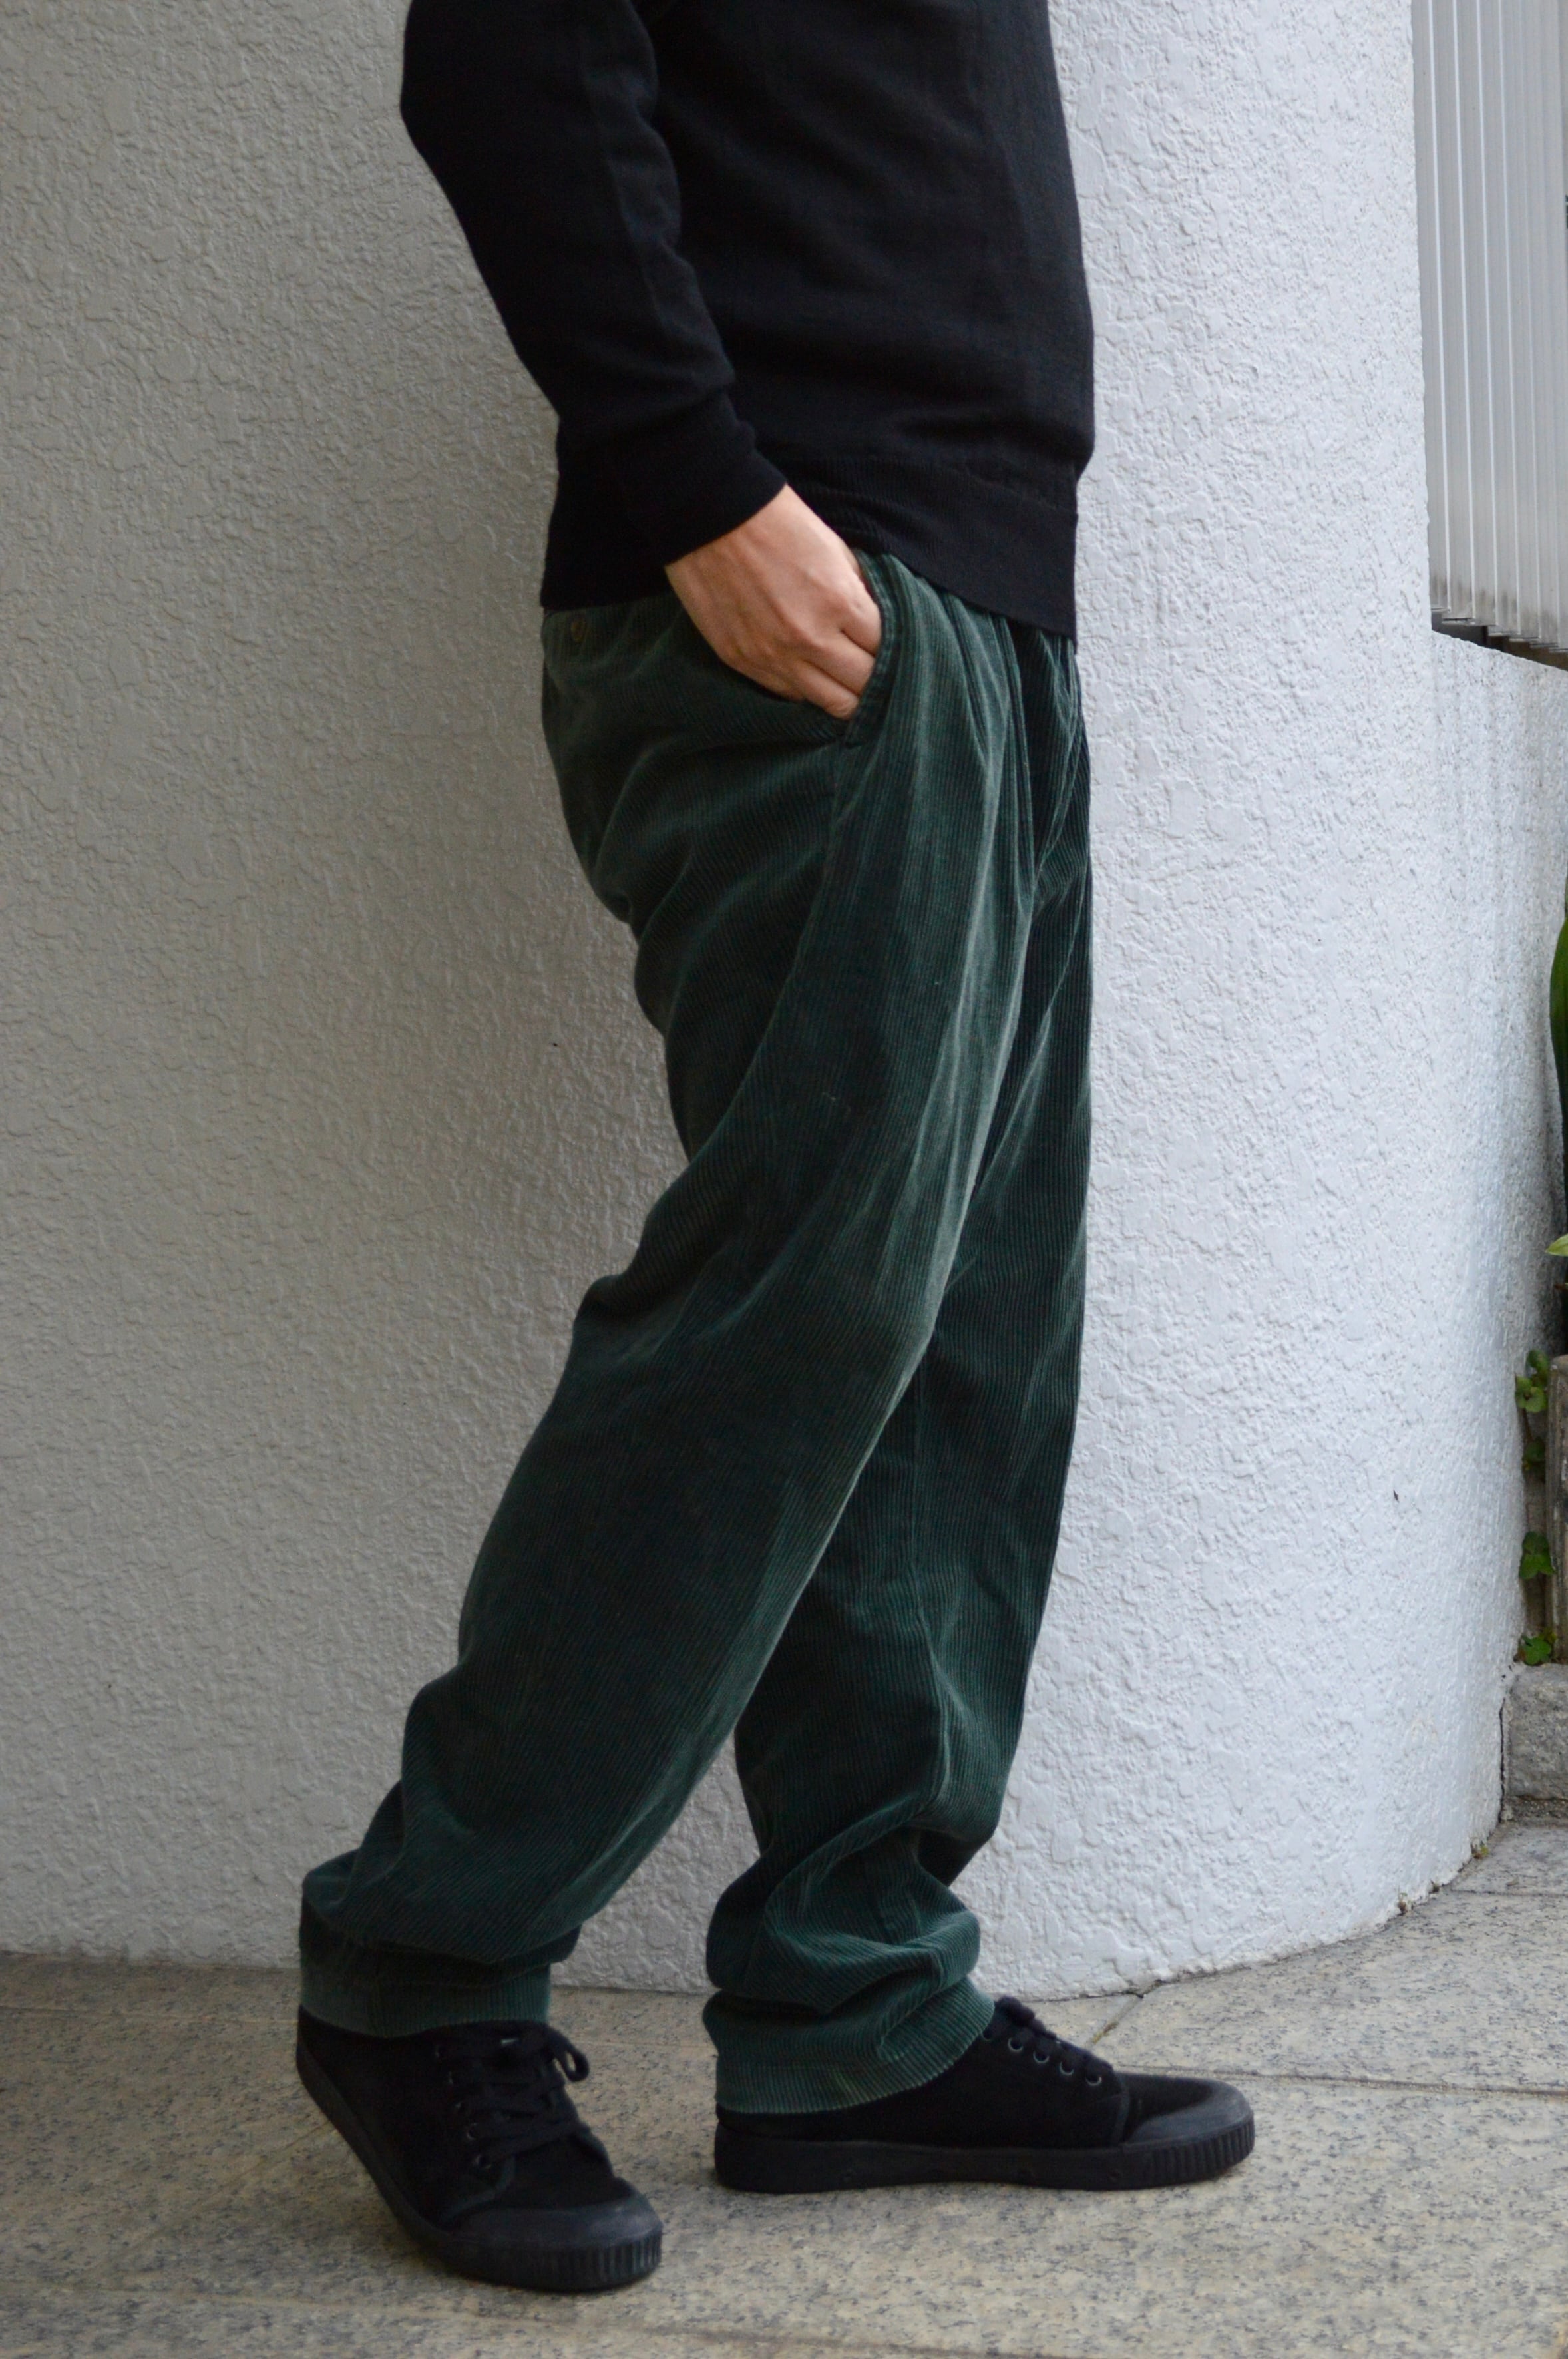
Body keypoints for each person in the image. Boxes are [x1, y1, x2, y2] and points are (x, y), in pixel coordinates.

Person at [294, 0, 1254, 2294]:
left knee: (961, 1340)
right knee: (792, 1314)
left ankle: (855, 2009)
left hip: (975, 603)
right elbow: (504, 57)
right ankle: (422, 1966)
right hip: (805, 592)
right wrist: (699, 487)